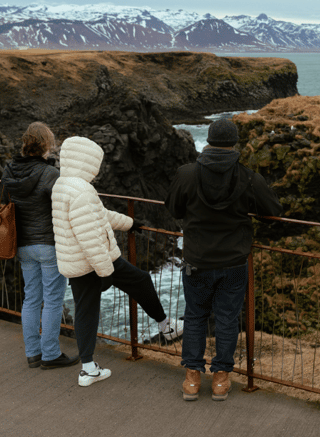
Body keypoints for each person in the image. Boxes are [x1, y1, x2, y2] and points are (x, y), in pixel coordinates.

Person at [165, 118, 282, 402]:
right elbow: (273, 210)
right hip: (233, 261)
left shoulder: (187, 174)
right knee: (227, 319)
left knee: (194, 317)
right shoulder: (248, 178)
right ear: (234, 144)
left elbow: (173, 208)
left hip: (197, 259)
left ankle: (192, 378)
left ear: (208, 141)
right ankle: (220, 378)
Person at [51, 135, 183, 387]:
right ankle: (166, 326)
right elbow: (90, 238)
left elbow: (99, 216)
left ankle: (88, 368)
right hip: (94, 262)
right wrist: (105, 271)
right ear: (88, 162)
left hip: (75, 263)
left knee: (86, 312)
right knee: (141, 280)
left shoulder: (63, 184)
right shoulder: (82, 191)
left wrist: (130, 223)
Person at [1, 122, 79, 370]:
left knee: (31, 298)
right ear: (46, 145)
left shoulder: (8, 171)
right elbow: (64, 206)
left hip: (22, 245)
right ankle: (51, 354)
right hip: (48, 244)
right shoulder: (50, 174)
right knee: (53, 299)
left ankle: (33, 353)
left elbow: (5, 203)